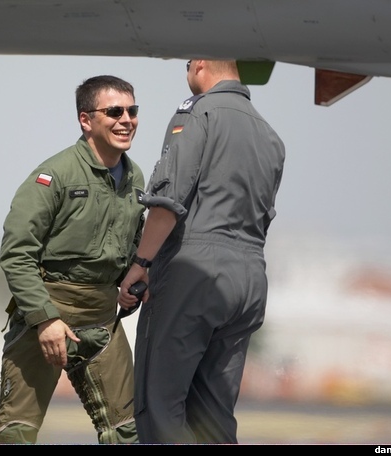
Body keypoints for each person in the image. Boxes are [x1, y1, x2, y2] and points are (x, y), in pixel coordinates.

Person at [117, 60, 285, 444]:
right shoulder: (270, 135)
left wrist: (141, 263)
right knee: (213, 413)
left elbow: (168, 200)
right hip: (249, 277)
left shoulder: (198, 114)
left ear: (201, 64)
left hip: (195, 272)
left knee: (159, 403)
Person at [0, 75, 146, 444]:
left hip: (102, 319)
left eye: (132, 111)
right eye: (114, 111)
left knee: (128, 432)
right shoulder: (54, 175)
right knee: (16, 431)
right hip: (47, 313)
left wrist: (136, 276)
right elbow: (16, 254)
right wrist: (44, 319)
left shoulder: (136, 179)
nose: (126, 120)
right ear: (86, 120)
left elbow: (132, 245)